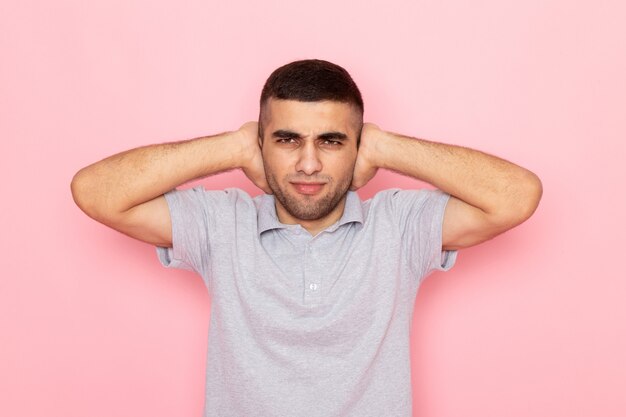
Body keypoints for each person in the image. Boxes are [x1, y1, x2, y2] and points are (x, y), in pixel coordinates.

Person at [71, 59, 542, 417]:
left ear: (357, 148)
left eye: (332, 141)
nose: (309, 165)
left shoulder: (400, 225)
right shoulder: (220, 222)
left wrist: (384, 145)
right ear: (263, 144)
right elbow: (94, 192)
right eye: (287, 139)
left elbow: (517, 196)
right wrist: (233, 146)